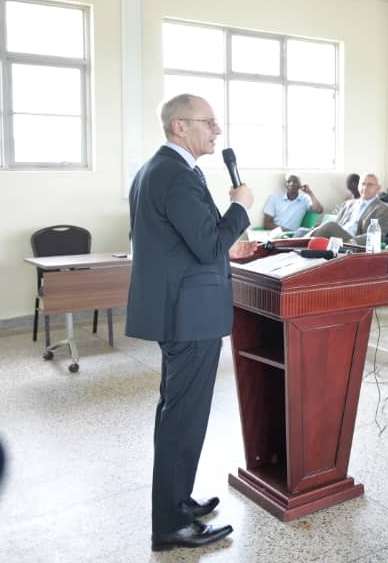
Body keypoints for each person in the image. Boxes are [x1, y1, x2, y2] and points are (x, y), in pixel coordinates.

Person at [127, 94, 255, 551]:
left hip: (178, 309)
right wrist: (240, 207)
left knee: (176, 413)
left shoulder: (155, 170)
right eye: (209, 122)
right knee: (183, 418)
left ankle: (177, 501)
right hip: (189, 315)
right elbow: (208, 244)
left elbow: (179, 243)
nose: (217, 131)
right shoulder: (175, 175)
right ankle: (171, 525)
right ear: (180, 126)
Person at [308, 173, 388, 245]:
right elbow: (338, 225)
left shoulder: (383, 209)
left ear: (378, 188)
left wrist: (352, 242)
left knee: (330, 226)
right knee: (302, 231)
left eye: (370, 185)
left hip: (355, 242)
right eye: (363, 184)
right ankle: (299, 247)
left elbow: (377, 235)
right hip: (337, 239)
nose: (365, 187)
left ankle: (299, 245)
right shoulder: (348, 204)